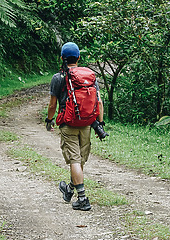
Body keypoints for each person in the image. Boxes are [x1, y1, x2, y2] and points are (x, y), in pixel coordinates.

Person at [45, 42, 104, 211]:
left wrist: (49, 120)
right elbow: (99, 101)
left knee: (74, 161)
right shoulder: (89, 76)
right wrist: (99, 123)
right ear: (78, 57)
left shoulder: (58, 77)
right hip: (86, 124)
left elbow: (52, 104)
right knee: (78, 161)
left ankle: (83, 199)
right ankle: (70, 189)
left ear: (62, 58)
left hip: (68, 124)